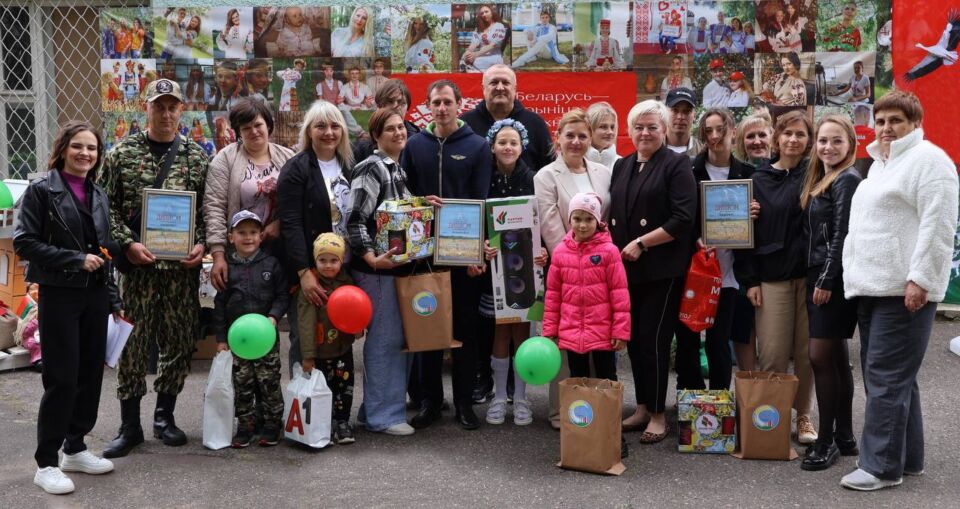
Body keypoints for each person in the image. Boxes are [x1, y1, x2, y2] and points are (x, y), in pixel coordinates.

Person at [840, 91, 958, 490]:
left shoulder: (929, 162)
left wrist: (921, 279)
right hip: (875, 287)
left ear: (915, 123)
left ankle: (881, 468)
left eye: (896, 121)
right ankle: (908, 459)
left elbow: (938, 226)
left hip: (903, 289)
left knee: (886, 378)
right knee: (895, 378)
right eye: (882, 120)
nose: (887, 128)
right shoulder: (882, 165)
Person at [99, 79, 208, 458]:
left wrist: (201, 243)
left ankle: (165, 416)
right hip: (138, 270)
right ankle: (130, 426)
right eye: (158, 106)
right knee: (132, 345)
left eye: (172, 106)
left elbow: (207, 213)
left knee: (178, 342)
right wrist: (126, 243)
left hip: (180, 272)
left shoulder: (196, 156)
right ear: (145, 108)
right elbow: (104, 207)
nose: (165, 113)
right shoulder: (120, 153)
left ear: (181, 110)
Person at [15, 121, 122, 494]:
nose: (84, 154)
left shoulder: (98, 193)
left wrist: (115, 301)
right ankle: (46, 463)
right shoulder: (42, 191)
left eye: (91, 149)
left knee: (91, 374)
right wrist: (74, 259)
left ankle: (74, 448)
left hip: (94, 295)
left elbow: (104, 251)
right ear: (63, 149)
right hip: (60, 293)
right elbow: (24, 243)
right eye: (77, 146)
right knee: (62, 378)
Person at [402, 80, 492, 430]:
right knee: (427, 329)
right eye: (435, 103)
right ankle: (430, 401)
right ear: (428, 106)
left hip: (463, 255)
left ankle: (465, 403)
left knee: (465, 331)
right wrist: (422, 203)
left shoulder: (477, 147)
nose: (441, 108)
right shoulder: (414, 146)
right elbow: (405, 195)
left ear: (459, 105)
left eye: (447, 102)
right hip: (424, 255)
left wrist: (476, 254)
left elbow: (481, 201)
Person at [610, 100, 696, 443]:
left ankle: (659, 414)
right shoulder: (623, 165)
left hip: (662, 270)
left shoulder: (676, 165)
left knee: (655, 342)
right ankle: (643, 405)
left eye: (652, 127)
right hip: (627, 270)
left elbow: (683, 218)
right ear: (629, 131)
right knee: (634, 343)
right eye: (639, 127)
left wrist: (643, 243)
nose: (645, 133)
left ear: (664, 130)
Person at [734, 110, 818, 446]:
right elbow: (743, 235)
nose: (794, 140)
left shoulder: (817, 174)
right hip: (771, 278)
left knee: (807, 353)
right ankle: (771, 418)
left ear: (808, 140)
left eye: (801, 134)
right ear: (776, 138)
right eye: (788, 134)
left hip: (810, 278)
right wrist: (750, 280)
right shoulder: (758, 180)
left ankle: (804, 416)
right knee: (772, 355)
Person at [346, 108, 423, 436]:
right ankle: (383, 417)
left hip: (394, 271)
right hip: (378, 272)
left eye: (401, 127)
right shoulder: (372, 167)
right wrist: (370, 257)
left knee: (396, 340)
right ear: (376, 136)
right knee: (385, 341)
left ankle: (374, 409)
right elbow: (353, 218)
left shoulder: (395, 168)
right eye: (390, 129)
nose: (398, 133)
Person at [534, 109, 612, 429]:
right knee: (566, 343)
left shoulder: (603, 172)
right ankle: (562, 411)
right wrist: (575, 261)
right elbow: (552, 229)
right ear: (559, 139)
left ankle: (598, 407)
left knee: (596, 340)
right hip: (566, 270)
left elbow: (608, 220)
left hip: (600, 270)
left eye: (582, 135)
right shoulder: (545, 176)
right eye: (570, 135)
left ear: (590, 138)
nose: (576, 141)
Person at [542, 191, 630, 458]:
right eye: (577, 218)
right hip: (570, 332)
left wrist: (620, 331)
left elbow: (620, 293)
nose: (582, 225)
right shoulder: (560, 253)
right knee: (577, 385)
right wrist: (550, 331)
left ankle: (614, 435)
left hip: (602, 332)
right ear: (570, 220)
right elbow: (553, 295)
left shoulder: (609, 252)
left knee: (606, 384)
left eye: (588, 219)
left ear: (598, 220)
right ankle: (581, 434)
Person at [797, 114, 862, 471]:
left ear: (850, 144)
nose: (828, 147)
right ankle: (845, 437)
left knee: (820, 358)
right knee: (836, 358)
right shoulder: (824, 178)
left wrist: (825, 280)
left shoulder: (847, 179)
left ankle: (825, 442)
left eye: (836, 141)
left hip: (831, 282)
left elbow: (842, 236)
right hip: (820, 277)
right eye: (823, 140)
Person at [675, 109, 756, 393]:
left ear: (733, 132)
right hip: (694, 269)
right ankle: (690, 396)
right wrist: (696, 238)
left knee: (719, 339)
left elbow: (761, 226)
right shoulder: (687, 169)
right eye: (708, 131)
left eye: (720, 129)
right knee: (687, 336)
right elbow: (678, 215)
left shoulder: (749, 174)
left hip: (729, 272)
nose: (714, 136)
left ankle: (720, 399)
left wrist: (756, 213)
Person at [278, 100, 354, 370]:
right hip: (310, 271)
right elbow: (291, 224)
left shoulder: (349, 165)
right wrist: (303, 272)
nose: (329, 132)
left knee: (338, 338)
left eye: (335, 126)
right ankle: (304, 405)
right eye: (320, 126)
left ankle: (336, 408)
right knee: (307, 340)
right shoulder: (295, 169)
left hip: (343, 270)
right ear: (309, 131)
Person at [480, 119, 546, 426]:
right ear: (492, 146)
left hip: (525, 273)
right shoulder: (484, 179)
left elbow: (542, 223)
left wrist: (542, 251)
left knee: (522, 332)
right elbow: (481, 221)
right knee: (499, 332)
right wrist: (483, 246)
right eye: (502, 142)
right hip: (495, 272)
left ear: (522, 147)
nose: (508, 147)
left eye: (514, 143)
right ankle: (498, 396)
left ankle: (520, 397)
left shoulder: (533, 179)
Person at [212, 211, 288, 448]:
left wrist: (274, 316)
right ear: (231, 237)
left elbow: (282, 295)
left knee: (269, 382)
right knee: (242, 384)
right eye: (242, 233)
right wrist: (221, 339)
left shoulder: (271, 264)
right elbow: (220, 306)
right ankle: (245, 426)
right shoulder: (228, 268)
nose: (248, 237)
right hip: (239, 342)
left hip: (266, 339)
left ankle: (272, 424)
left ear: (261, 236)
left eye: (253, 232)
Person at [203, 98, 295, 295]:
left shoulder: (288, 157)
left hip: (281, 251)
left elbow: (299, 204)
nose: (254, 131)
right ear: (238, 132)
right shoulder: (225, 159)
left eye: (258, 125)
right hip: (239, 256)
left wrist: (280, 223)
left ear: (268, 125)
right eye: (246, 128)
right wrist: (218, 254)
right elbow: (214, 207)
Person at [297, 232, 358, 445]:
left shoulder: (347, 281)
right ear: (315, 261)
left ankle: (342, 423)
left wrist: (356, 330)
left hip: (342, 349)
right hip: (319, 352)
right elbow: (305, 324)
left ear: (341, 261)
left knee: (344, 386)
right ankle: (322, 424)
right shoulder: (311, 287)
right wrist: (308, 356)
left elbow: (355, 310)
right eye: (322, 260)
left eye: (334, 260)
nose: (328, 265)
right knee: (322, 390)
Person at [461, 64, 554, 172]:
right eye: (494, 82)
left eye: (505, 82)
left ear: (515, 88)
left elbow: (549, 169)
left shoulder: (535, 123)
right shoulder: (466, 124)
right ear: (483, 88)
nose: (500, 88)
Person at [352, 79, 420, 163]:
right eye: (390, 101)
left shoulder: (418, 142)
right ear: (379, 106)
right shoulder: (361, 148)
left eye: (401, 102)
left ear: (408, 107)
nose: (396, 106)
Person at [460, 4, 508, 72]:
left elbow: (492, 45)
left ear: (492, 12)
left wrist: (475, 55)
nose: (484, 15)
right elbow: (474, 44)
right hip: (480, 56)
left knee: (476, 63)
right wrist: (467, 53)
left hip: (493, 57)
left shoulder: (499, 26)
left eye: (486, 11)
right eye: (482, 13)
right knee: (464, 59)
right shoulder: (479, 29)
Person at [663, 88, 703, 157]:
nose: (680, 117)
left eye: (686, 111)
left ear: (694, 116)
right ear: (665, 112)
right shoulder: (653, 149)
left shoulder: (703, 152)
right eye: (675, 110)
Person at [338, 66, 375, 138]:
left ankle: (369, 131)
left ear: (359, 75)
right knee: (343, 111)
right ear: (349, 75)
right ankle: (359, 132)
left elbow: (371, 99)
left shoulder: (365, 87)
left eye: (356, 73)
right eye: (352, 73)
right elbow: (339, 100)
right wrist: (346, 106)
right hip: (349, 106)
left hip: (362, 106)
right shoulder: (344, 87)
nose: (354, 75)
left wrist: (368, 104)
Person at [585, 102, 620, 169]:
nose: (610, 132)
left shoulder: (623, 165)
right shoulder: (575, 163)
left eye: (612, 127)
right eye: (603, 127)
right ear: (589, 129)